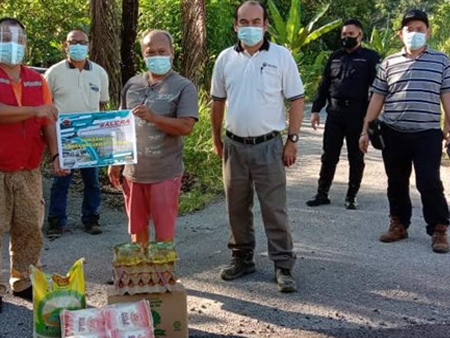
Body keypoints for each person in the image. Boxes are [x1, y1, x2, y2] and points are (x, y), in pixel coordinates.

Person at [210, 1, 304, 293]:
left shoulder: (281, 56)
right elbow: (217, 101)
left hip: (269, 146)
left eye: (256, 21)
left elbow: (297, 99)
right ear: (235, 25)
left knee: (274, 209)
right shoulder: (225, 59)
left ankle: (283, 265)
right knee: (236, 207)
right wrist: (216, 139)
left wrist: (292, 140)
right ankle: (242, 258)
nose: (249, 27)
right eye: (243, 21)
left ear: (265, 24)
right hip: (234, 146)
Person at [360, 9, 450, 254]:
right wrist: (366, 129)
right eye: (410, 29)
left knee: (429, 180)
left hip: (428, 132)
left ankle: (439, 228)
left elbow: (447, 94)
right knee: (396, 181)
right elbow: (378, 96)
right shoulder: (389, 62)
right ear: (401, 34)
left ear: (428, 32)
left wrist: (449, 125)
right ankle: (399, 224)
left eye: (420, 29)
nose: (415, 34)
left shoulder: (441, 60)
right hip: (394, 131)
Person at [0, 17, 67, 312]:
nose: (12, 45)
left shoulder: (36, 80)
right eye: (5, 38)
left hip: (28, 169)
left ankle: (23, 281)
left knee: (29, 227)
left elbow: (47, 121)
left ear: (26, 45)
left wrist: (56, 155)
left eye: (18, 40)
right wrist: (34, 109)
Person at [108, 30, 198, 246]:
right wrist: (115, 162)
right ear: (143, 54)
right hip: (133, 174)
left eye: (161, 51)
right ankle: (139, 274)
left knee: (163, 236)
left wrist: (154, 118)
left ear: (171, 53)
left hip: (164, 174)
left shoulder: (183, 87)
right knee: (137, 232)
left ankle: (163, 276)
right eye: (151, 52)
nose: (156, 56)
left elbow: (186, 126)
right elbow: (122, 126)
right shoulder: (132, 85)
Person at [307, 19, 380, 210]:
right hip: (335, 113)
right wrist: (315, 110)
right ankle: (322, 193)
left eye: (351, 34)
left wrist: (372, 118)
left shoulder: (370, 58)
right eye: (344, 35)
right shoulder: (335, 57)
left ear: (360, 35)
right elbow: (324, 85)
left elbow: (378, 90)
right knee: (329, 155)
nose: (347, 38)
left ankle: (351, 196)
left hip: (358, 114)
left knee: (356, 157)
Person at [45, 29, 110, 238]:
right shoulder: (53, 73)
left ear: (88, 45)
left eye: (83, 42)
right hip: (64, 137)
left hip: (90, 137)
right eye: (73, 42)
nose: (78, 46)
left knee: (92, 181)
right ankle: (56, 222)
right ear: (66, 45)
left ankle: (91, 219)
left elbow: (102, 105)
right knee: (61, 181)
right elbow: (46, 106)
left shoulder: (99, 73)